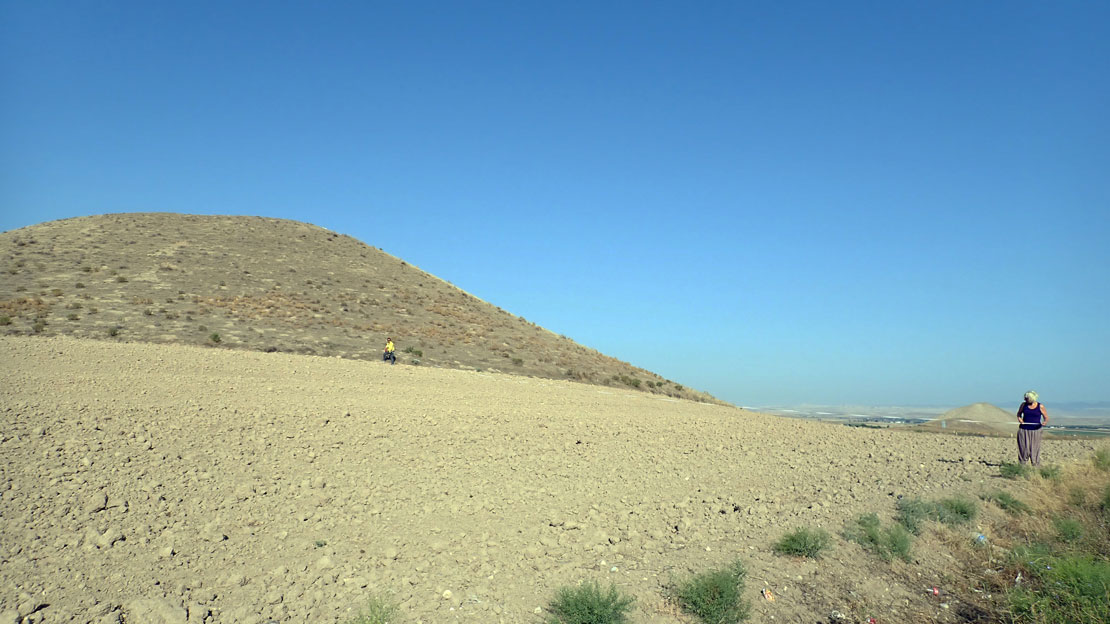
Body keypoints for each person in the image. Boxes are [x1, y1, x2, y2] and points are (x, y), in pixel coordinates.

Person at [1016, 390, 1048, 466]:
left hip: (1036, 430)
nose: (1025, 400)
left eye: (1026, 398)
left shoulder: (1040, 406)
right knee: (1024, 448)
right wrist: (1020, 419)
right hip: (1024, 430)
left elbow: (1046, 417)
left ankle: (1035, 464)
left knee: (1034, 448)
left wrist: (1044, 422)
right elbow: (1019, 414)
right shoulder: (1023, 405)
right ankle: (1022, 465)